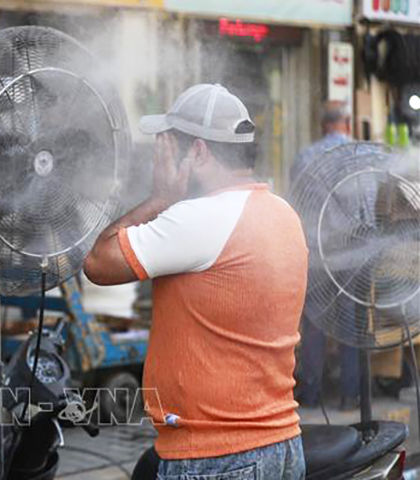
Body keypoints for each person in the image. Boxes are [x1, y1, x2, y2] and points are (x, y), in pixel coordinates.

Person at [84, 84, 307, 478]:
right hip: (279, 443)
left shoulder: (199, 218)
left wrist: (160, 198)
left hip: (218, 456)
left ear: (199, 152)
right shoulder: (282, 213)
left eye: (169, 149)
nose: (160, 159)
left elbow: (98, 262)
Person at [290, 101, 360, 411]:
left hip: (317, 253)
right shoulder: (360, 156)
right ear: (347, 123)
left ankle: (311, 394)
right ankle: (350, 396)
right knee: (350, 326)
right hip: (352, 254)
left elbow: (296, 204)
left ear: (322, 126)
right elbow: (368, 211)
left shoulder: (305, 157)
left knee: (315, 324)